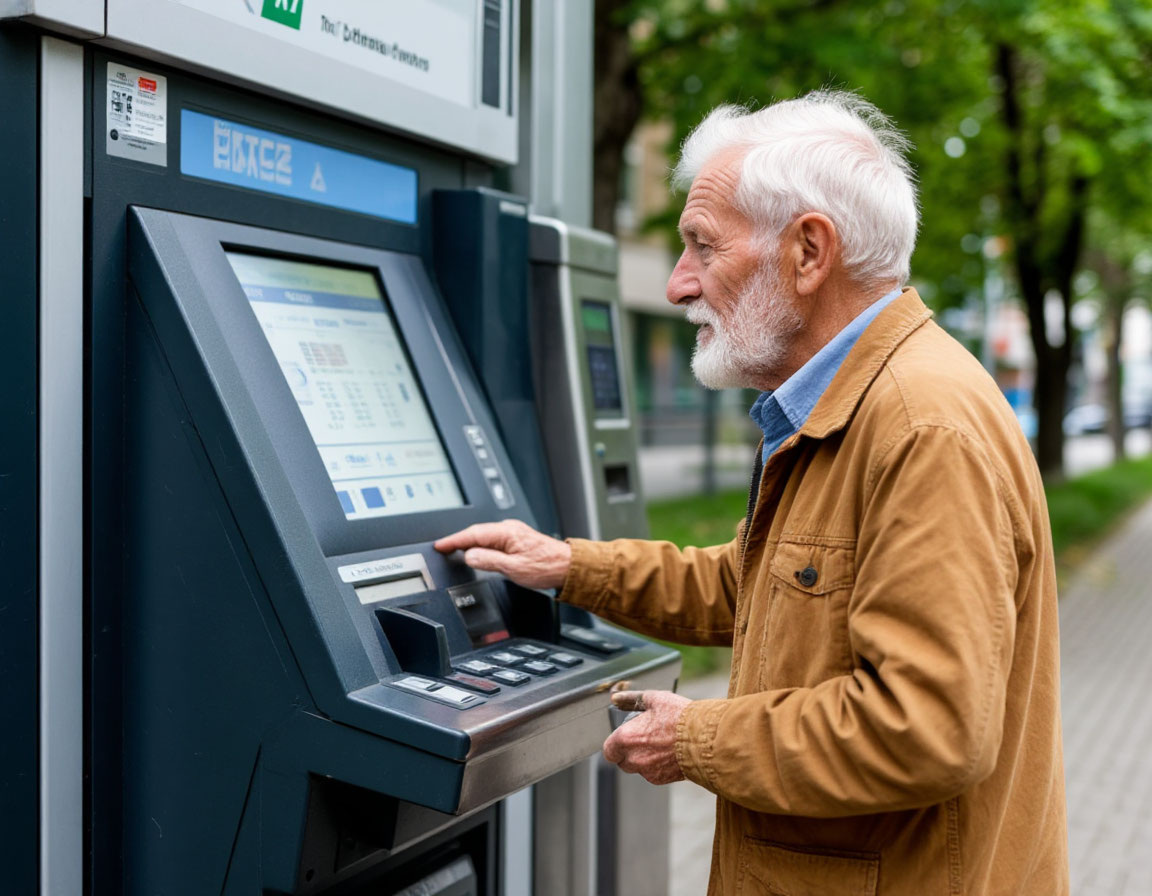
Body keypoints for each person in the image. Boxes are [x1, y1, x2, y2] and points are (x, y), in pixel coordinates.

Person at [435, 91, 1068, 895]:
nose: (676, 284)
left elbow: (927, 728)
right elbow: (756, 584)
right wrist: (565, 565)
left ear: (809, 252)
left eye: (702, 246)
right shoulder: (859, 404)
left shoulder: (918, 427)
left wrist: (696, 737)